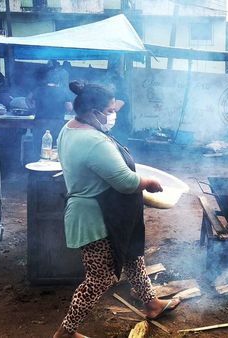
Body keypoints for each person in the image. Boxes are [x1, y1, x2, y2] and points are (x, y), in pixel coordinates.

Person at [53, 82, 180, 338]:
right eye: (110, 110)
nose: (113, 114)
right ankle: (66, 332)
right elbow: (126, 182)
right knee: (100, 278)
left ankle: (152, 304)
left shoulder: (71, 128)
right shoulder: (92, 140)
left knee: (133, 258)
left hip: (112, 214)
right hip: (95, 218)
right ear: (92, 111)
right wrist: (149, 183)